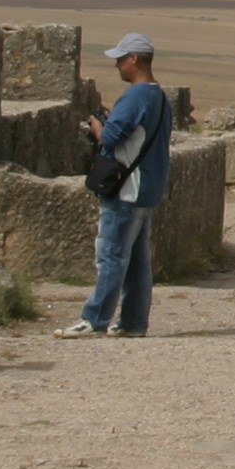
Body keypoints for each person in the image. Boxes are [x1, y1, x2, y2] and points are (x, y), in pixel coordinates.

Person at [58, 32, 173, 338]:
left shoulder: (135, 96)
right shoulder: (159, 96)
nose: (118, 66)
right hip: (148, 188)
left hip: (126, 188)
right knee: (136, 261)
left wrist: (98, 126)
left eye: (121, 59)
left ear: (134, 59)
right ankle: (134, 322)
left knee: (110, 254)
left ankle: (94, 319)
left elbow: (111, 139)